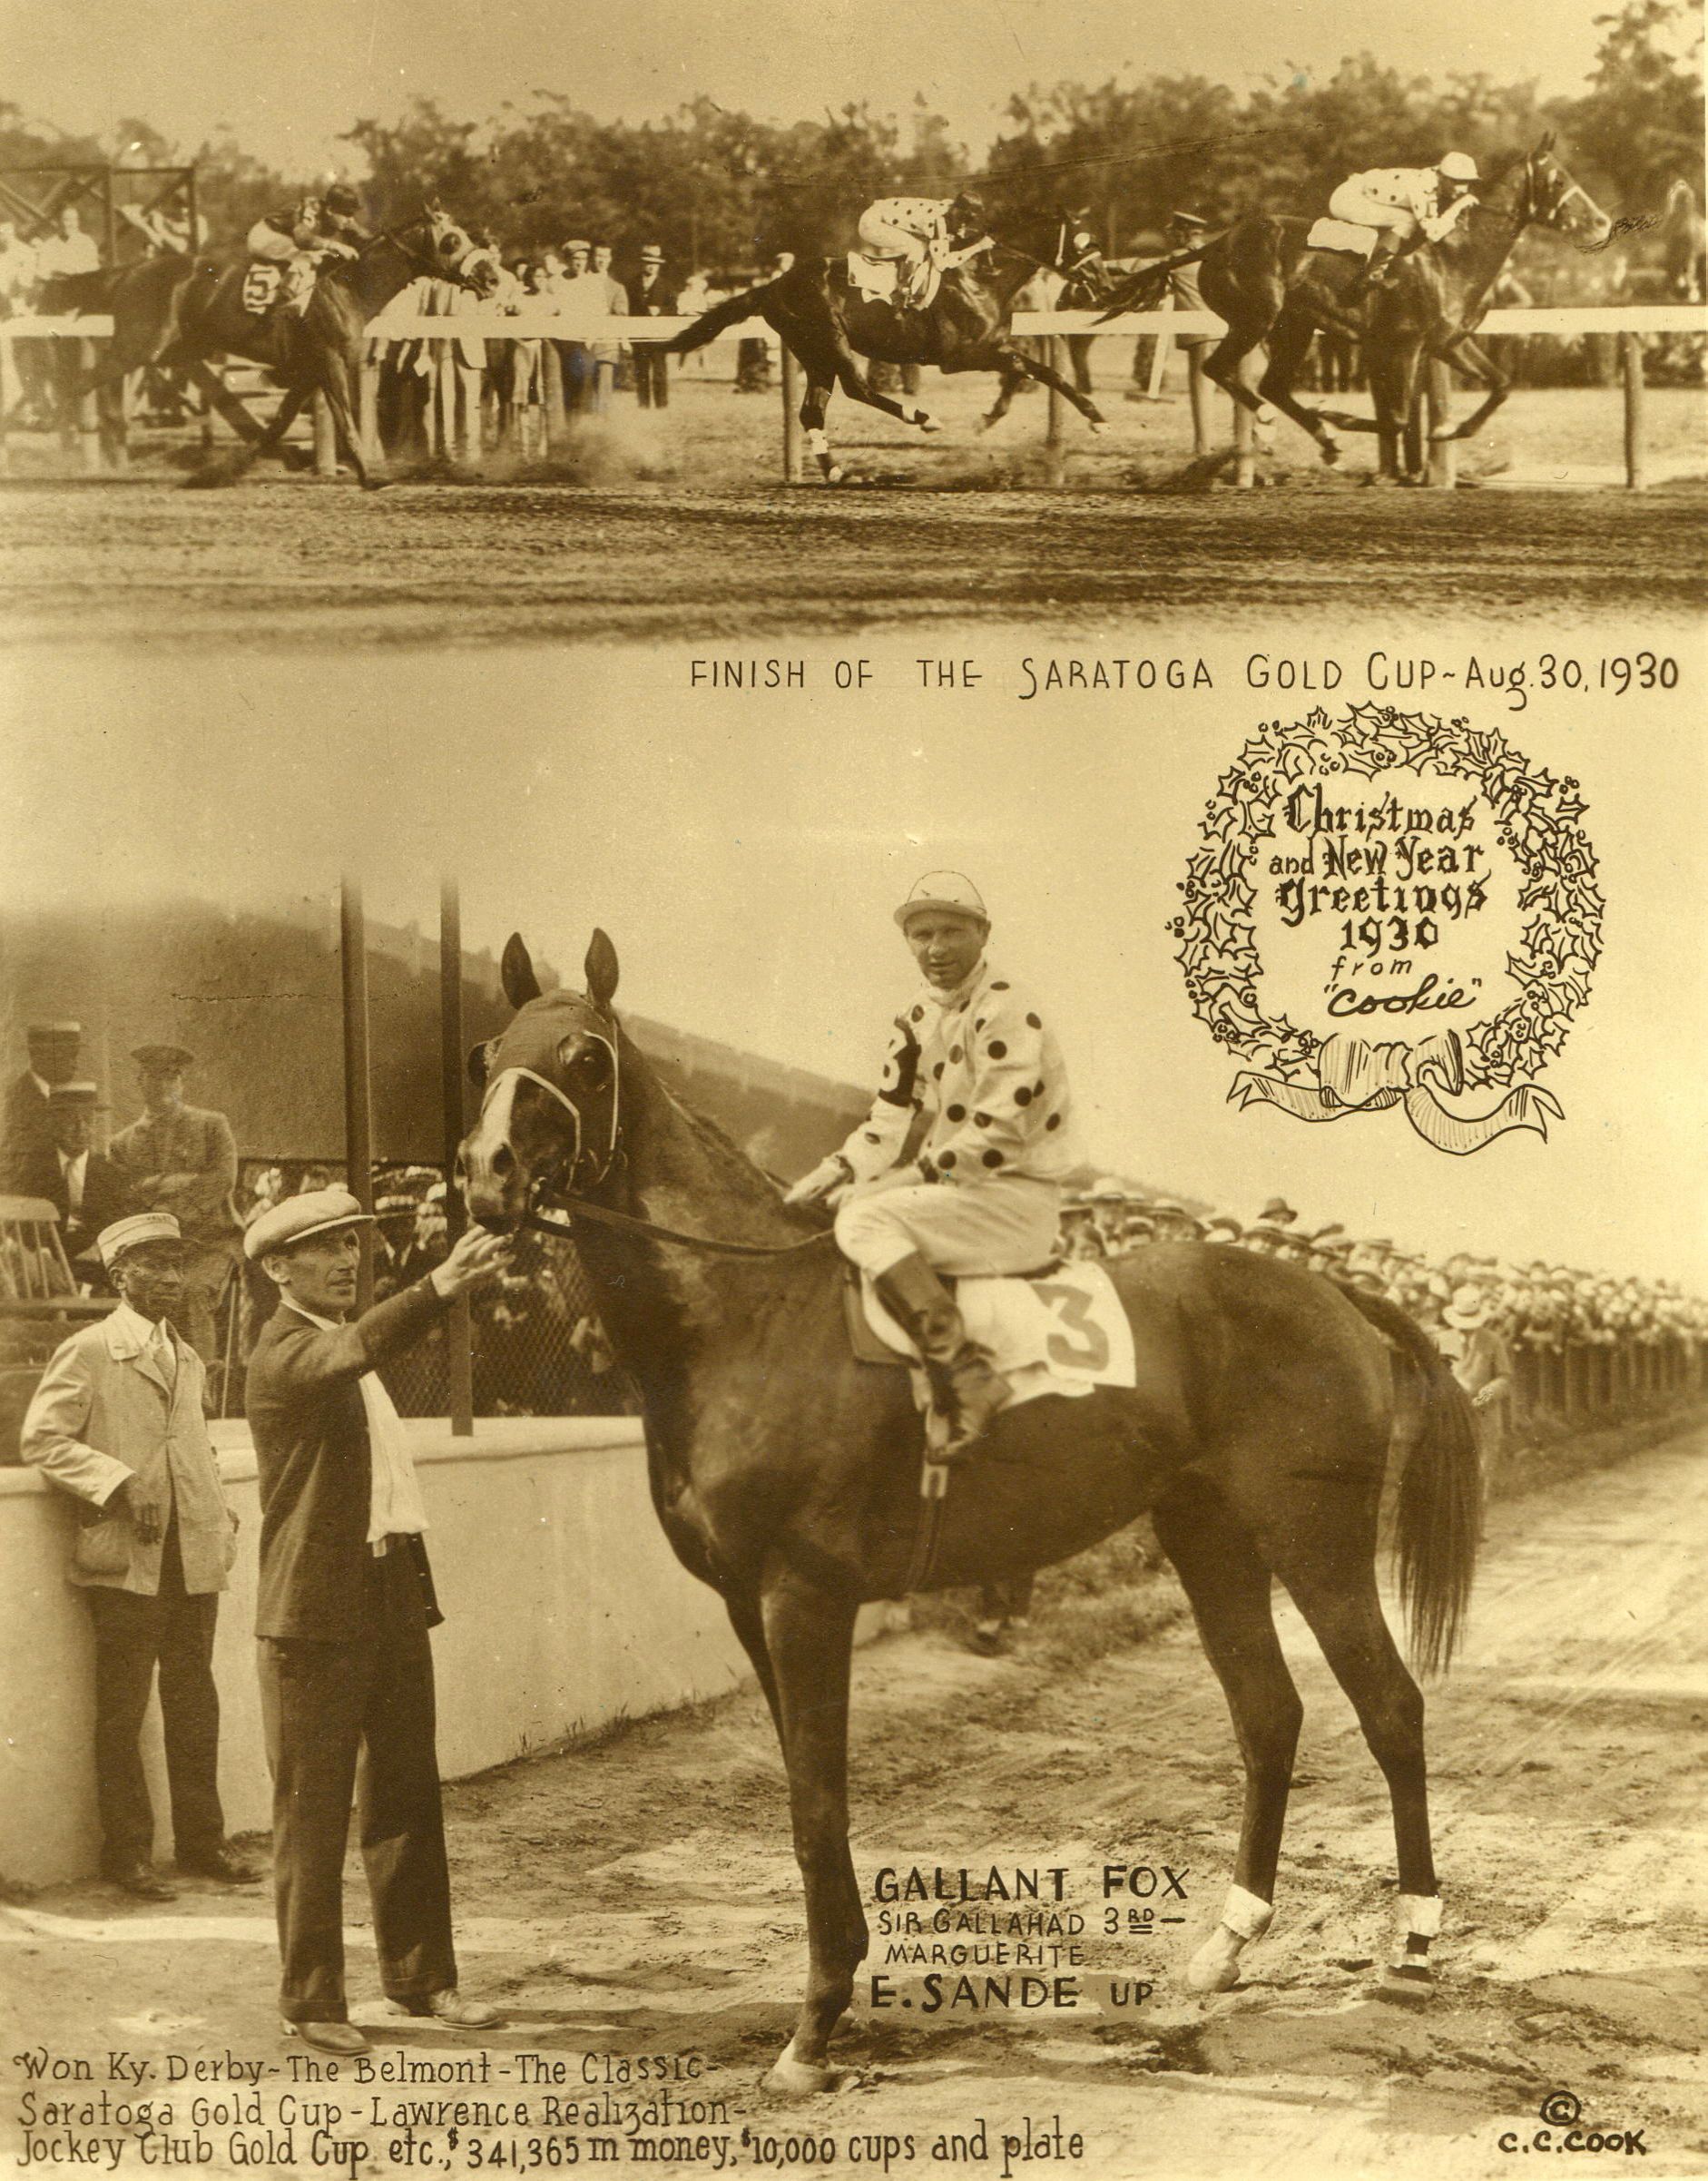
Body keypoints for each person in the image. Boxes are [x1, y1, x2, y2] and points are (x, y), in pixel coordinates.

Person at [245, 1187, 511, 2054]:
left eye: (353, 1245)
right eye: (324, 1247)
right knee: (312, 1811)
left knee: (405, 1796)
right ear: (278, 1266)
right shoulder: (285, 1352)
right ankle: (313, 2001)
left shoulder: (339, 1348)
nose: (347, 1259)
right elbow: (355, 1347)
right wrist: (440, 1284)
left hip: (390, 1594)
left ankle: (423, 1980)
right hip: (312, 1616)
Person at [785, 872, 1075, 1459]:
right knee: (829, 1210)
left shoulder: (1011, 1007)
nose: (934, 948)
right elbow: (888, 1119)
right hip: (961, 1192)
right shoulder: (915, 1015)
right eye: (920, 935)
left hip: (1014, 1196)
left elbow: (993, 1138)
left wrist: (898, 1180)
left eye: (950, 931)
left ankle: (969, 1378)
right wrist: (835, 1168)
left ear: (983, 932)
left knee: (864, 1222)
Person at [20, 1213, 254, 1898]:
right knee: (123, 1710)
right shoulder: (91, 1349)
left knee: (195, 1702)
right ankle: (127, 1853)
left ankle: (202, 1843)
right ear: (120, 1275)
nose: (171, 1279)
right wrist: (120, 1484)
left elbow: (194, 1444)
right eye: (153, 1265)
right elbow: (44, 1439)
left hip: (193, 1554)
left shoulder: (186, 1355)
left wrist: (217, 1504)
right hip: (127, 1559)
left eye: (177, 1265)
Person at [108, 1046, 241, 1364]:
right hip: (153, 1249)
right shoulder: (123, 1143)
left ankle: (201, 1387)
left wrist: (159, 1194)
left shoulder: (211, 1125)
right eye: (156, 1076)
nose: (166, 1084)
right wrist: (180, 1181)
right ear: (140, 1082)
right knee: (134, 1292)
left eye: (173, 1076)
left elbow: (221, 1180)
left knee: (189, 1291)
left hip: (210, 1243)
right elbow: (125, 1196)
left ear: (182, 1083)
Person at [18, 1081, 133, 1274]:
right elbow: (24, 1226)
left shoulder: (110, 1172)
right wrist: (41, 1256)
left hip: (98, 1257)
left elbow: (119, 1222)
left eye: (88, 1120)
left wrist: (98, 1249)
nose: (81, 1128)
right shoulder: (32, 1170)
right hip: (45, 1258)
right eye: (71, 1120)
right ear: (52, 1123)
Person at [1328, 152, 1480, 294]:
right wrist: (1457, 206)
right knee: (1407, 220)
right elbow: (1434, 234)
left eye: (1467, 183)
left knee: (1405, 220)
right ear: (1442, 176)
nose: (1463, 189)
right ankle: (1371, 274)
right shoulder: (1423, 188)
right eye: (1457, 182)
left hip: (1362, 195)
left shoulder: (1433, 181)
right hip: (1347, 198)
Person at [854, 191, 994, 309]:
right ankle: (903, 292)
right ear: (956, 210)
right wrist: (978, 247)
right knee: (916, 248)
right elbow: (942, 263)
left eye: (969, 221)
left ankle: (906, 287)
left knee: (921, 247)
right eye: (963, 218)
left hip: (882, 216)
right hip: (873, 222)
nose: (963, 224)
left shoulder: (948, 209)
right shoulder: (936, 220)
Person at [244, 184, 368, 312]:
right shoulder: (311, 210)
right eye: (347, 214)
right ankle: (284, 302)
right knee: (309, 258)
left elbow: (363, 235)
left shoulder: (338, 216)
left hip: (285, 239)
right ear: (330, 210)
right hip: (265, 236)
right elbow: (303, 239)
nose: (351, 220)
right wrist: (335, 246)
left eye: (352, 214)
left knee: (322, 256)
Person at [3, 1018, 83, 1189]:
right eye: (67, 1055)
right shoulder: (12, 1100)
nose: (75, 1065)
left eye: (75, 1055)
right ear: (41, 1055)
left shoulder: (64, 1100)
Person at [628, 244, 677, 408]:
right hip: (639, 336)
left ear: (659, 265)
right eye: (648, 262)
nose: (651, 266)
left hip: (659, 336)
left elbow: (674, 309)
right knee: (641, 371)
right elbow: (628, 310)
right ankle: (643, 404)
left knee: (659, 372)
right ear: (642, 263)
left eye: (655, 263)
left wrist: (660, 310)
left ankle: (662, 404)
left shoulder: (667, 286)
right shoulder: (632, 285)